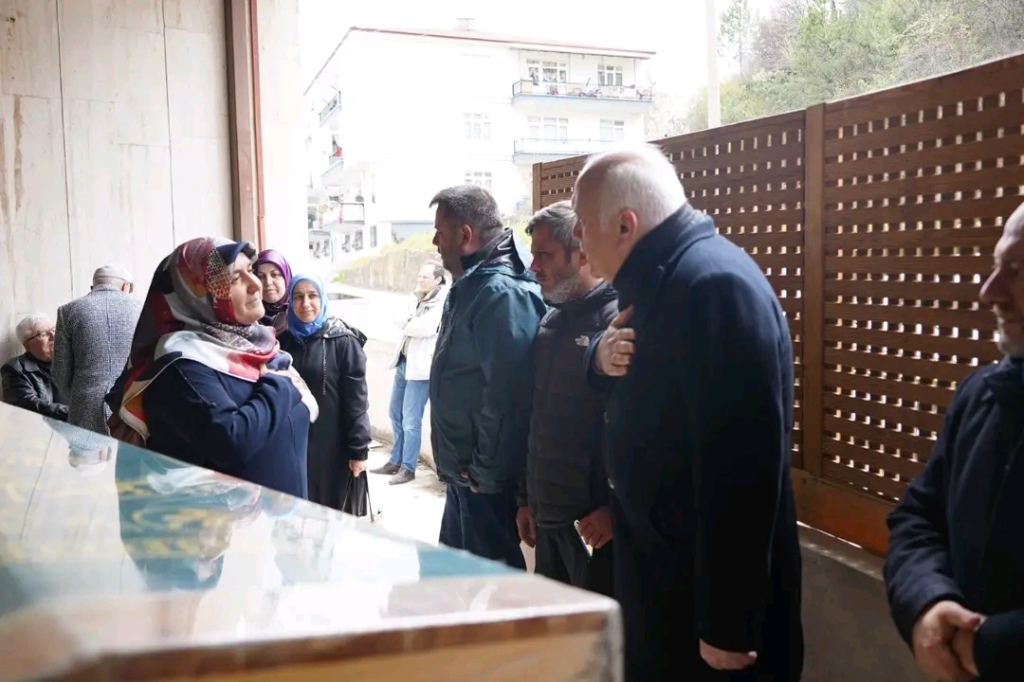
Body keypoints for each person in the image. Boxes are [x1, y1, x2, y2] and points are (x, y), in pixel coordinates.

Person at [574, 144, 804, 681]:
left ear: (626, 225)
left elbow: (742, 472)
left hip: (702, 618)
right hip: (660, 588)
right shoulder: (659, 279)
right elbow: (631, 373)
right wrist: (598, 361)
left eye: (583, 225)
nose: (579, 242)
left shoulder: (712, 287)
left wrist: (728, 624)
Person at [884, 201, 1024, 682]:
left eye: (1018, 270)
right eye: (996, 266)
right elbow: (917, 516)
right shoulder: (981, 396)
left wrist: (988, 646)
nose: (990, 291)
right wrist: (927, 603)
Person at [105, 237, 318, 500]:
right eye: (235, 278)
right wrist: (278, 387)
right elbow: (232, 442)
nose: (256, 284)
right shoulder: (181, 367)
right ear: (198, 294)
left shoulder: (259, 349)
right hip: (225, 523)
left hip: (283, 520)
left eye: (250, 270)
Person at [428, 185, 546, 568]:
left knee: (488, 588)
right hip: (465, 475)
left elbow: (509, 398)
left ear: (465, 234)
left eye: (440, 233)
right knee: (447, 577)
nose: (434, 242)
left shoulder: (501, 293)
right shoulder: (474, 283)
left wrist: (482, 474)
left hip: (484, 482)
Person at [514, 200, 617, 597]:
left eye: (545, 255)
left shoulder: (617, 323)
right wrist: (526, 499)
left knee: (598, 633)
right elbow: (536, 415)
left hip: (596, 531)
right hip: (547, 520)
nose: (533, 266)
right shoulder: (550, 320)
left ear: (584, 253)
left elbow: (642, 434)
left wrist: (617, 511)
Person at [279, 273, 373, 514]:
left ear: (322, 299)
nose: (305, 303)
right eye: (298, 297)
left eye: (312, 296)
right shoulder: (283, 343)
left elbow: (357, 401)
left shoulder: (342, 341)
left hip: (333, 449)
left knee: (331, 515)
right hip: (295, 447)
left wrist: (359, 450)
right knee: (299, 515)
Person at [373, 262, 448, 485]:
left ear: (438, 280)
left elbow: (426, 328)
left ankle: (408, 467)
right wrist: (411, 322)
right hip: (404, 363)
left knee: (411, 420)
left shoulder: (442, 300)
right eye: (420, 275)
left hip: (421, 371)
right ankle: (395, 460)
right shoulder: (416, 296)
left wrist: (409, 322)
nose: (420, 279)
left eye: (425, 277)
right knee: (395, 413)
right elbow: (397, 316)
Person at [53, 265, 142, 434]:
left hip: (85, 406)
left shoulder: (67, 311)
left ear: (93, 286)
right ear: (125, 286)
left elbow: (60, 372)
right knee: (129, 451)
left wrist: (80, 394)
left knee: (87, 452)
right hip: (132, 407)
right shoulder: (143, 310)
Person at [2, 314, 68, 420]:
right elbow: (27, 404)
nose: (53, 335)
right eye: (43, 333)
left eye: (54, 330)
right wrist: (74, 414)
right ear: (27, 344)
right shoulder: (15, 368)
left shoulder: (71, 360)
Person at [254, 249, 292, 333]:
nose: (268, 282)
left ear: (286, 278)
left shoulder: (300, 312)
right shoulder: (247, 317)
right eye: (260, 276)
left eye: (274, 274)